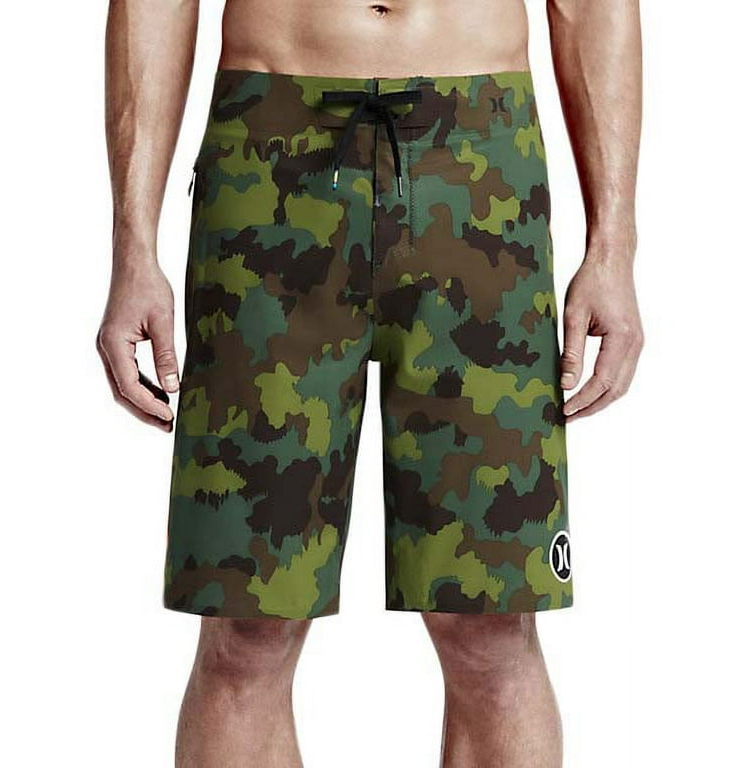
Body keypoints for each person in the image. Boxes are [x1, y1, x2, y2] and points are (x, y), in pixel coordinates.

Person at [96, 1, 644, 765]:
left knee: (490, 623)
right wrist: (133, 246)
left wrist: (613, 246)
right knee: (247, 625)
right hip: (269, 156)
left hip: (479, 159)